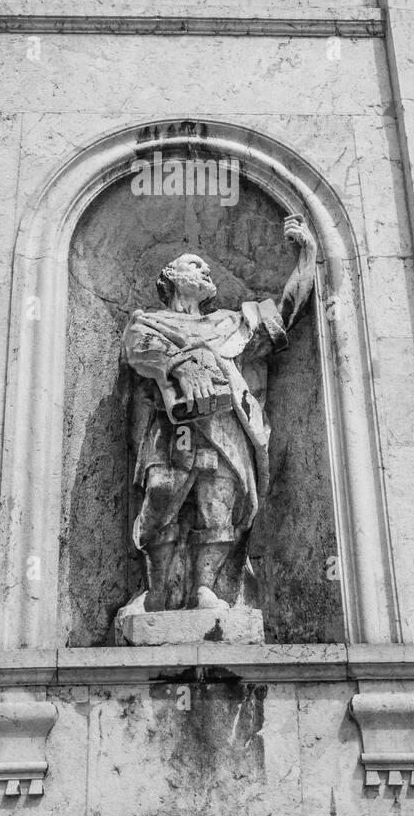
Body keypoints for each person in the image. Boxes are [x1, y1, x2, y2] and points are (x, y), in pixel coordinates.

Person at [121, 215, 316, 613]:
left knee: (219, 501)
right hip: (171, 427)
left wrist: (308, 261)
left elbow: (283, 316)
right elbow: (138, 350)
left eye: (207, 267)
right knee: (161, 494)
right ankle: (158, 589)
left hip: (225, 426)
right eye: (195, 265)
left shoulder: (228, 323)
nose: (205, 269)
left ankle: (205, 589)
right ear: (171, 276)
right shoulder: (149, 322)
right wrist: (178, 364)